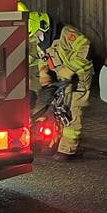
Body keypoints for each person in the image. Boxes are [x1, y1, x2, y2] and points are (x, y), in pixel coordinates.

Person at [39, 18, 93, 161]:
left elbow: (85, 47)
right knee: (59, 110)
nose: (35, 38)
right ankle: (55, 141)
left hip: (79, 77)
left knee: (73, 111)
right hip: (63, 78)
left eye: (36, 34)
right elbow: (43, 58)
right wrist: (44, 73)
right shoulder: (42, 40)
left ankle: (68, 149)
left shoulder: (66, 33)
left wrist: (69, 70)